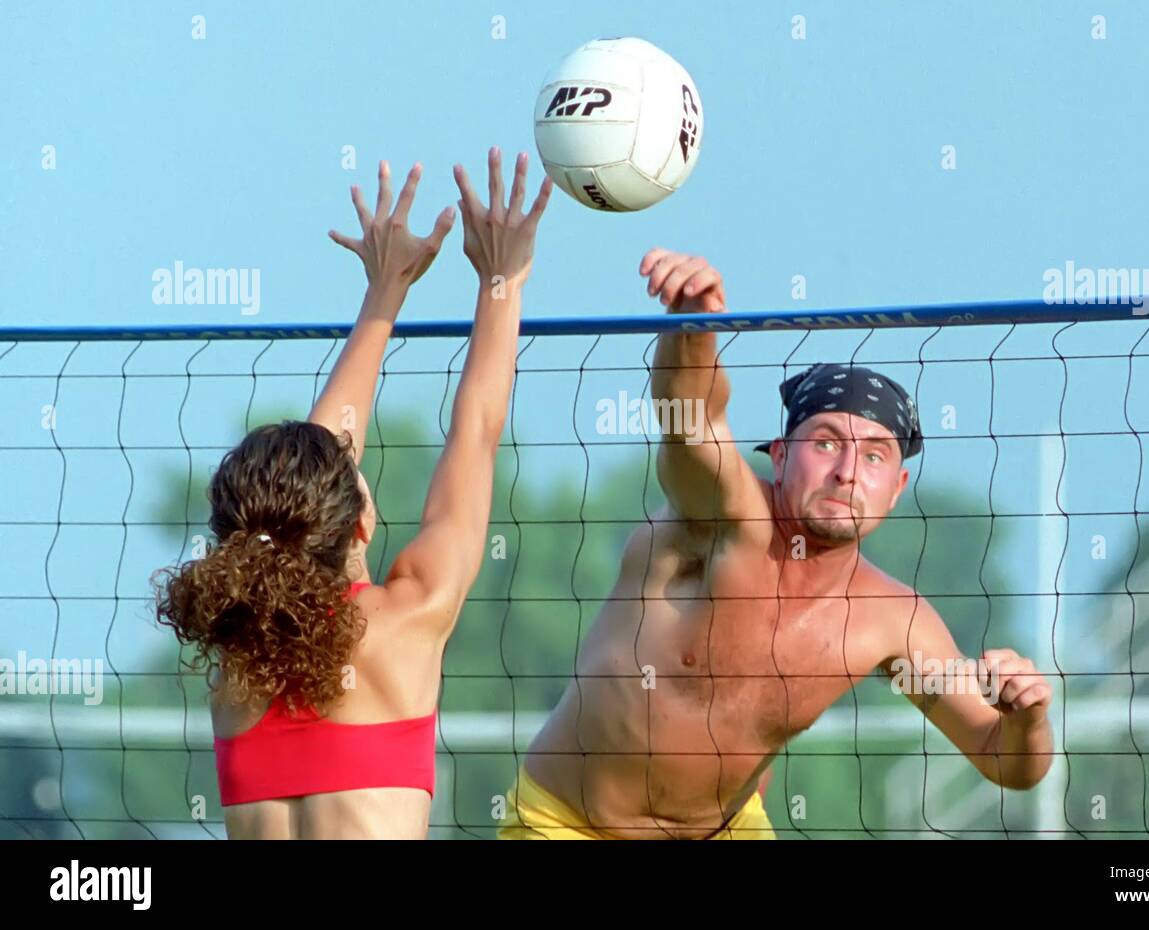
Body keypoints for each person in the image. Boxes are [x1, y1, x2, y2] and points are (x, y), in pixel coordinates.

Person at [501, 249, 1054, 839]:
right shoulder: (722, 519)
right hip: (570, 826)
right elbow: (689, 419)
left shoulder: (891, 622)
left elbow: (1002, 759)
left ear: (895, 489)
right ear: (781, 456)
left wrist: (1026, 719)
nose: (847, 471)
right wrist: (693, 325)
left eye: (873, 455)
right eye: (825, 443)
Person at [153, 149, 551, 839]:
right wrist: (499, 276)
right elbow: (477, 433)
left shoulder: (236, 666)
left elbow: (304, 482)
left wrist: (387, 289)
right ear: (361, 525)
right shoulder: (408, 619)